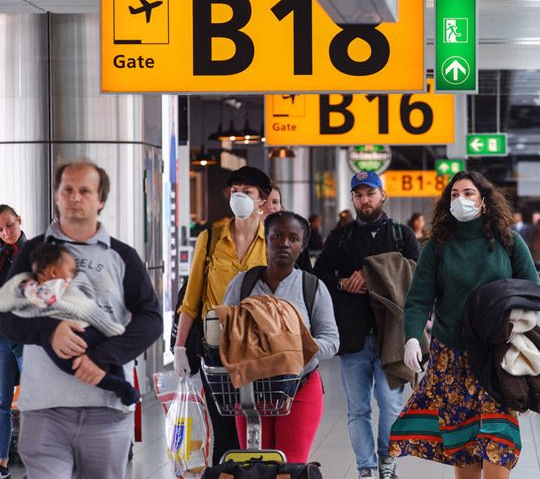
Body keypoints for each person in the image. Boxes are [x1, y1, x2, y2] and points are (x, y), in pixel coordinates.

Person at [0, 161, 162, 479]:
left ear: (100, 200)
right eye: (67, 190)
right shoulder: (33, 251)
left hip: (106, 410)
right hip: (44, 410)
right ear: (57, 198)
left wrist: (103, 358)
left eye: (85, 191)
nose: (75, 197)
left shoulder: (122, 255)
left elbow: (151, 318)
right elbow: (4, 314)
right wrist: (49, 331)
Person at [389, 170, 540, 479]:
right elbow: (418, 299)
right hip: (452, 357)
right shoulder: (437, 247)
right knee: (463, 442)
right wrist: (412, 338)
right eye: (454, 194)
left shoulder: (509, 242)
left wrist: (506, 312)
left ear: (484, 202)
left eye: (468, 193)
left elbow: (533, 290)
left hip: (496, 357)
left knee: (499, 440)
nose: (461, 199)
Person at [315, 170, 419, 479]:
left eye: (370, 194)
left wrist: (373, 274)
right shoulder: (341, 236)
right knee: (357, 408)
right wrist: (344, 280)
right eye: (359, 195)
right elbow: (319, 275)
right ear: (353, 199)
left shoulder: (402, 235)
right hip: (353, 336)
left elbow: (418, 275)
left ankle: (387, 460)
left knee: (390, 404)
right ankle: (366, 467)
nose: (365, 200)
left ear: (382, 196)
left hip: (392, 334)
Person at [173, 165, 273, 464]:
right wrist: (180, 346)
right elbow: (191, 299)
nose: (239, 196)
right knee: (224, 430)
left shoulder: (272, 241)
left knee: (256, 428)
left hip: (260, 349)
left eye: (247, 192)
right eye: (235, 191)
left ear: (262, 201)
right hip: (214, 348)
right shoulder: (211, 238)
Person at [221, 211, 339, 462]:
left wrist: (292, 347)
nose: (284, 243)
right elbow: (223, 331)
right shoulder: (242, 284)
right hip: (250, 391)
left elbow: (331, 340)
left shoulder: (312, 287)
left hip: (301, 387)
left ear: (302, 246)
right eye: (277, 236)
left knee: (290, 465)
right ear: (266, 239)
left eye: (293, 238)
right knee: (255, 464)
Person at [0, 243, 138, 405]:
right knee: (110, 359)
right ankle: (122, 384)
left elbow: (37, 301)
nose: (73, 275)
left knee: (74, 367)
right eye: (71, 271)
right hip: (88, 330)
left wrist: (23, 289)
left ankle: (122, 388)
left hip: (74, 335)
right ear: (53, 271)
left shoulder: (45, 286)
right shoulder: (61, 283)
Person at [0, 205, 24, 476]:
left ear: (19, 220)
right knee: (2, 401)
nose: (6, 233)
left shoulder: (32, 252)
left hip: (25, 336)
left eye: (10, 225)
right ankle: (2, 464)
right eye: (1, 229)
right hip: (3, 337)